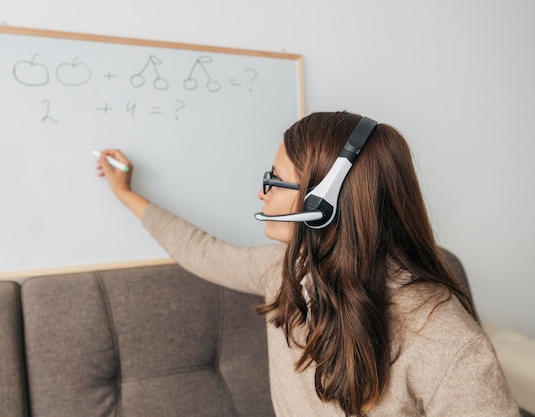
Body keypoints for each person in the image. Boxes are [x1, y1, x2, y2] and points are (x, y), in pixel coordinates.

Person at [95, 111, 519, 417]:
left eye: (274, 181)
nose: (261, 194)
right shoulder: (285, 273)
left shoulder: (442, 336)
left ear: (322, 203)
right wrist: (127, 193)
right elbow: (200, 250)